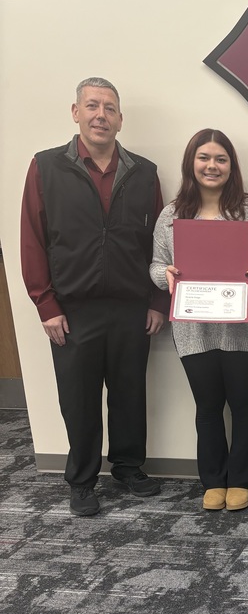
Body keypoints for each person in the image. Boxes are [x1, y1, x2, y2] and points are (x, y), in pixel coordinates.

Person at [20, 77, 166, 518]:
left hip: (130, 306)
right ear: (76, 112)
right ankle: (82, 479)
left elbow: (160, 242)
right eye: (92, 106)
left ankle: (128, 466)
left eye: (109, 108)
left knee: (129, 392)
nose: (101, 115)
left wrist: (158, 302)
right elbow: (32, 238)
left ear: (121, 119)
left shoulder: (144, 172)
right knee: (78, 398)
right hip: (72, 308)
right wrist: (45, 304)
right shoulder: (46, 167)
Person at [150, 130, 248, 512]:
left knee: (243, 405)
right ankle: (213, 480)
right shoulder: (171, 215)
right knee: (206, 407)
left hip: (246, 327)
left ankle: (241, 479)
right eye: (204, 157)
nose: (212, 165)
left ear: (231, 166)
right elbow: (156, 265)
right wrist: (165, 277)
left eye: (221, 159)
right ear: (192, 163)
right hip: (193, 330)